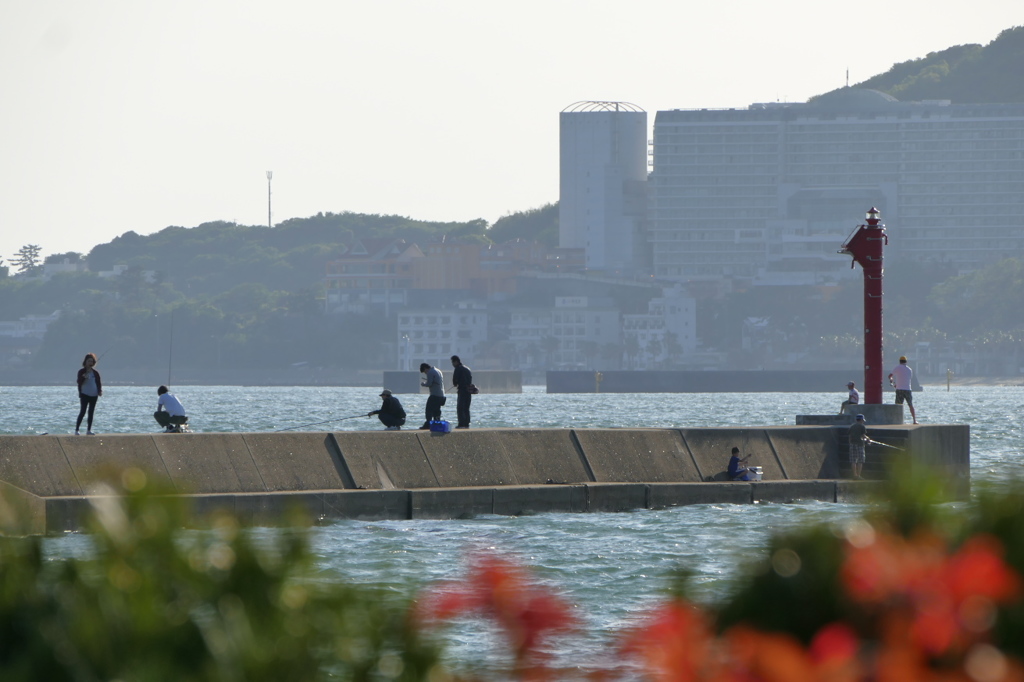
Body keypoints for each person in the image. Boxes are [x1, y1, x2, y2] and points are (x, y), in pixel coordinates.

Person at [75, 352, 102, 435]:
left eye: (91, 361)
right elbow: (79, 382)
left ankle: (89, 430)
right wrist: (84, 377)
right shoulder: (81, 371)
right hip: (84, 394)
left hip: (94, 395)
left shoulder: (95, 373)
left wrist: (99, 391)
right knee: (82, 411)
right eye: (88, 361)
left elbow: (98, 383)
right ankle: (77, 430)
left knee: (91, 412)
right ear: (85, 362)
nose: (90, 363)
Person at [888, 355, 918, 424]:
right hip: (908, 389)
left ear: (899, 361)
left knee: (898, 405)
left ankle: (896, 420)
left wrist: (893, 382)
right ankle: (914, 420)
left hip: (899, 389)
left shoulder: (897, 367)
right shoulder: (909, 369)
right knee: (910, 405)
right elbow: (908, 378)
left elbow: (890, 376)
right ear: (906, 362)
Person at [419, 362, 445, 429]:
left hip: (434, 394)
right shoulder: (438, 370)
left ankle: (428, 424)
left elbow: (429, 384)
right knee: (437, 410)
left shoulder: (430, 372)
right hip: (441, 395)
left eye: (424, 372)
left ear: (425, 368)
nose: (425, 373)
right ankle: (437, 423)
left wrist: (423, 384)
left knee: (428, 409)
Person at [450, 355, 473, 429]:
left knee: (460, 408)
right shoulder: (467, 369)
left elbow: (455, 381)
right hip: (469, 391)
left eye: (453, 362)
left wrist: (456, 384)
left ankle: (461, 424)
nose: (452, 364)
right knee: (466, 408)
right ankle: (466, 423)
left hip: (462, 390)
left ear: (456, 361)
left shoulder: (458, 369)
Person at [848, 414, 868, 479]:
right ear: (861, 420)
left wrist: (851, 443)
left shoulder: (852, 426)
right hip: (860, 444)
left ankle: (854, 475)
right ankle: (858, 475)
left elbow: (850, 436)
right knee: (860, 460)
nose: (863, 421)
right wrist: (868, 439)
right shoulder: (862, 426)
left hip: (852, 444)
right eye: (863, 420)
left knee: (853, 460)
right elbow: (863, 436)